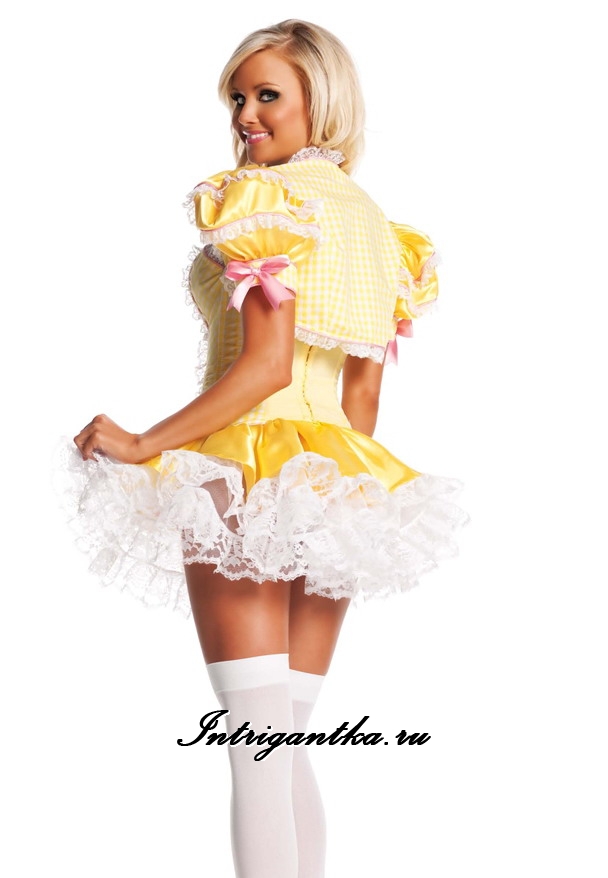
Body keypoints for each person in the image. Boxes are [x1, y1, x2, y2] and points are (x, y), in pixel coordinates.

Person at [66, 19, 467, 878]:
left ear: (323, 99)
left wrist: (142, 443)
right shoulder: (382, 231)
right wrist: (322, 503)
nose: (246, 115)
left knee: (256, 749)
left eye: (267, 95)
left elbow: (266, 366)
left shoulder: (264, 201)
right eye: (238, 98)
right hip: (335, 482)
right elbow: (361, 398)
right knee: (282, 745)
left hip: (248, 467)